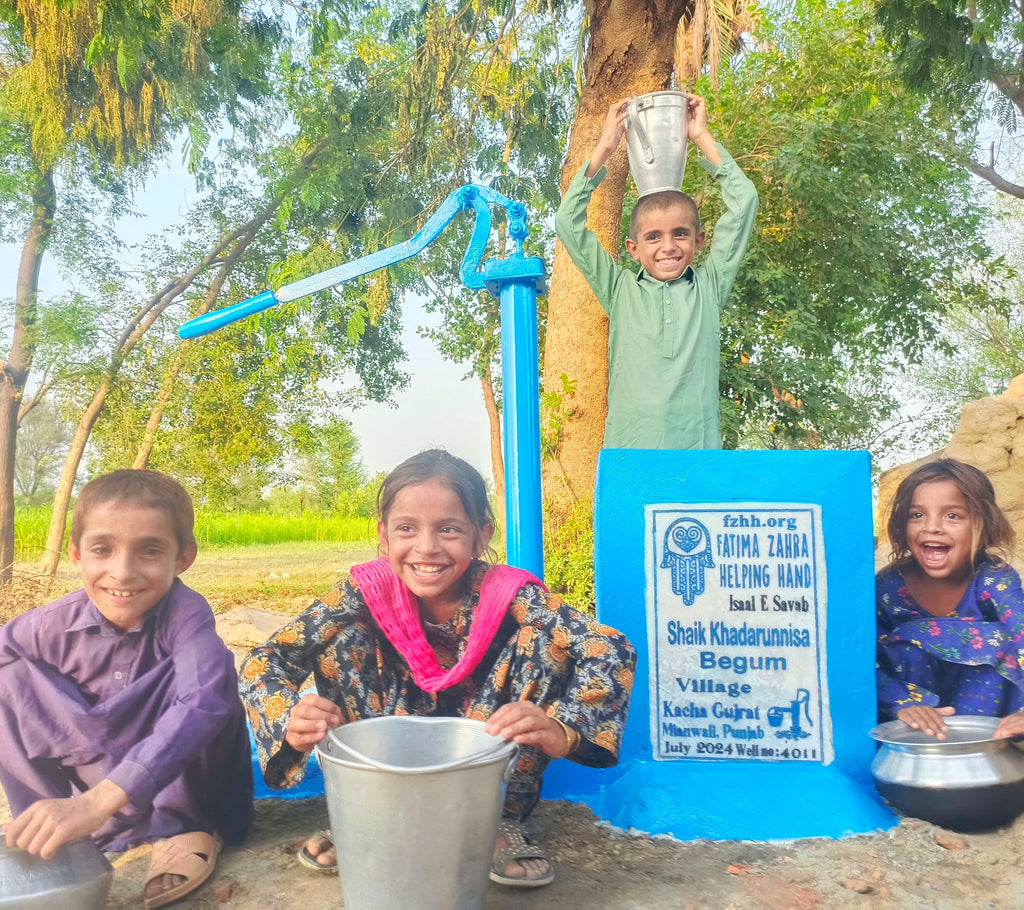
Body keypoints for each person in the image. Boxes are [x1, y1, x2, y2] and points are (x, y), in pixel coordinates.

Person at [240, 449, 635, 888]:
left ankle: (501, 820)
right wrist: (289, 717)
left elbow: (608, 647)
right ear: (384, 536)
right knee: (342, 638)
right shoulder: (363, 591)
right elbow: (267, 658)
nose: (426, 547)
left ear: (480, 537)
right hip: (388, 741)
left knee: (544, 643)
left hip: (483, 747)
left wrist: (564, 729)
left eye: (449, 529)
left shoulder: (509, 593)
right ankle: (366, 812)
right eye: (406, 528)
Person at [0, 470, 253, 909]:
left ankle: (182, 829)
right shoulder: (48, 626)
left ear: (182, 558)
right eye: (103, 549)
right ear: (77, 554)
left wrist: (98, 801)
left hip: (181, 787)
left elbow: (204, 702)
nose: (123, 572)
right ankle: (49, 829)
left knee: (211, 679)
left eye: (150, 551)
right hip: (96, 794)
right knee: (8, 674)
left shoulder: (186, 615)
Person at [554, 93, 758, 450]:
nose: (668, 247)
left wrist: (701, 136)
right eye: (653, 237)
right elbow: (567, 224)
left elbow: (744, 203)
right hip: (630, 455)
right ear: (633, 249)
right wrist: (604, 148)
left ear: (698, 240)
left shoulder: (708, 287)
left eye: (680, 234)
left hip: (698, 455)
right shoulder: (619, 290)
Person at [876, 458, 1024, 741]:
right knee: (903, 645)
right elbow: (863, 659)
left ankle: (983, 744)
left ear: (984, 526)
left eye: (952, 516)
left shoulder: (995, 578)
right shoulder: (888, 588)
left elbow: (1022, 634)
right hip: (915, 712)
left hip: (985, 712)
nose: (932, 527)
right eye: (916, 515)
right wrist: (901, 703)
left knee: (1002, 639)